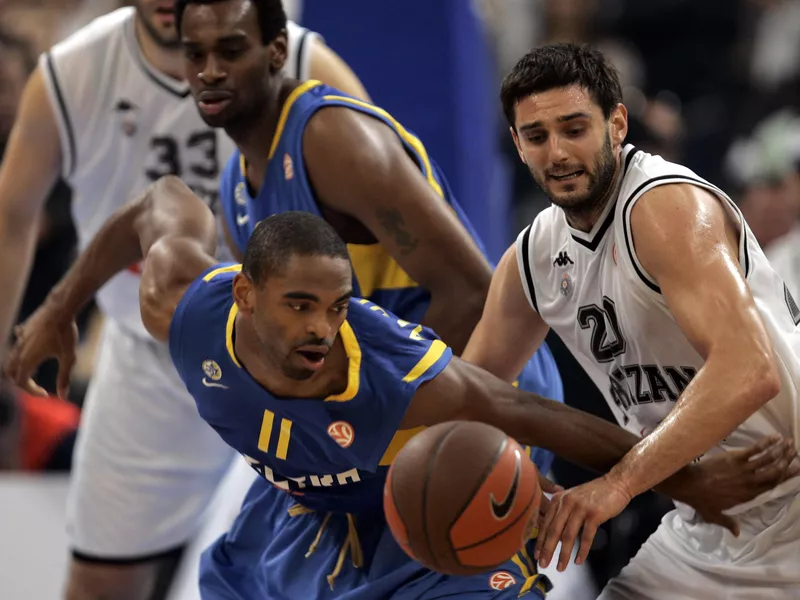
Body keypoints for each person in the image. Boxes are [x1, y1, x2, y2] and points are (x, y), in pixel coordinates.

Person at [6, 175, 797, 599]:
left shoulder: (391, 380)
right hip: (306, 504)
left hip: (428, 491)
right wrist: (57, 307)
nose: (321, 328)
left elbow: (527, 410)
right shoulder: (184, 308)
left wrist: (687, 480)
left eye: (337, 307)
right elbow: (157, 203)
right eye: (300, 306)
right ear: (246, 297)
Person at [0, 1, 368, 598]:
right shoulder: (70, 76)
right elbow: (16, 216)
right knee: (99, 581)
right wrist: (54, 310)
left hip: (303, 369)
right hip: (151, 361)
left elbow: (397, 219)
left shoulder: (309, 66)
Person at [462, 42, 800, 598]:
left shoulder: (664, 207)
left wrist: (617, 485)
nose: (558, 153)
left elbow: (749, 367)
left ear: (617, 123)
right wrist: (521, 490)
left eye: (574, 128)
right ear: (518, 146)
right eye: (537, 136)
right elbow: (471, 395)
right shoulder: (533, 257)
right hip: (709, 520)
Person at [178, 0, 563, 473]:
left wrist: (379, 421)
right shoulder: (234, 187)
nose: (211, 72)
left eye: (231, 50)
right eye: (195, 55)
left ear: (277, 51)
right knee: (247, 544)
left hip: (478, 389)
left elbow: (470, 295)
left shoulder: (332, 141)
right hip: (369, 419)